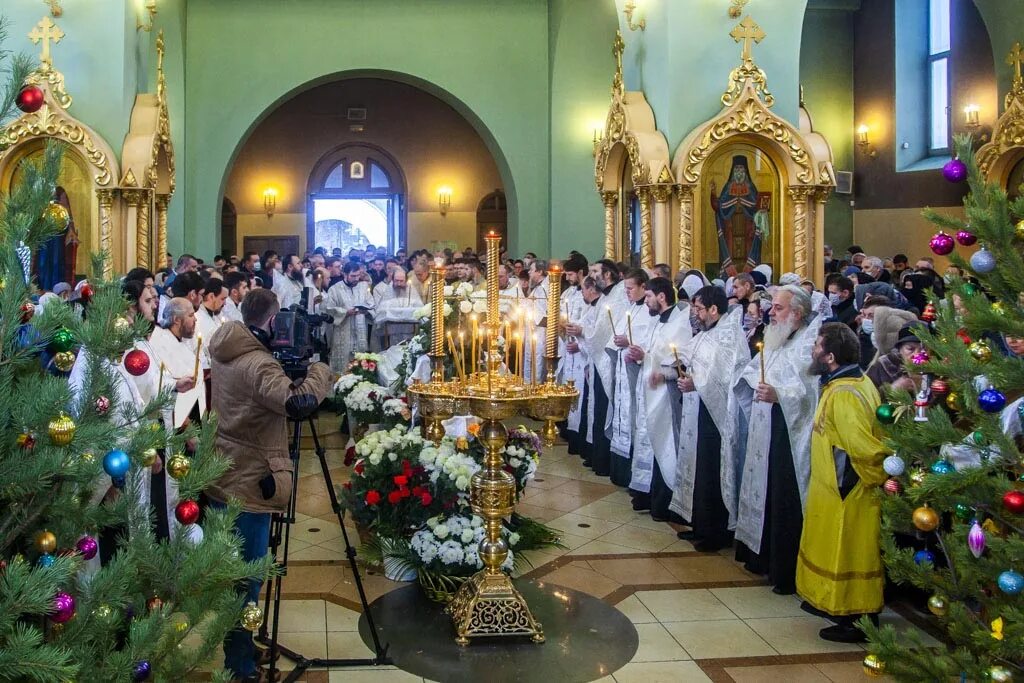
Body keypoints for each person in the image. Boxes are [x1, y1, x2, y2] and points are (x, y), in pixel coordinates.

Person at [206, 288, 333, 681]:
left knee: (234, 572)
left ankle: (243, 647)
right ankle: (240, 666)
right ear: (274, 321)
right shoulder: (258, 364)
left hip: (225, 470)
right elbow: (297, 405)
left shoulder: (227, 346)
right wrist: (320, 372)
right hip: (249, 482)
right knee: (247, 577)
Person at [798, 322, 888, 642]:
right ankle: (838, 606)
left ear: (830, 356)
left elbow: (861, 445)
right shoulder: (848, 382)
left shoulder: (846, 393)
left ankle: (856, 618)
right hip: (837, 486)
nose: (813, 350)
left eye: (817, 345)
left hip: (848, 489)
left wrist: (869, 478)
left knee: (849, 550)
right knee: (842, 547)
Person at [733, 285, 820, 595]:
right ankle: (760, 556)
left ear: (796, 313)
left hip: (788, 434)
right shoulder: (777, 337)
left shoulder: (810, 343)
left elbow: (811, 393)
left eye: (779, 308)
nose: (771, 312)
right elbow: (757, 368)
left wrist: (779, 394)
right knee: (762, 489)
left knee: (783, 496)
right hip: (764, 426)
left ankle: (783, 568)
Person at [671, 285, 749, 551]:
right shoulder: (709, 332)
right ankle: (698, 524)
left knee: (712, 471)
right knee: (698, 467)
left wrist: (697, 383)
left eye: (699, 308)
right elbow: (688, 353)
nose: (695, 313)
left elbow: (726, 377)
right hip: (700, 412)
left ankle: (714, 533)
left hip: (718, 418)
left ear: (714, 309)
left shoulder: (729, 335)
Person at [629, 277, 691, 520]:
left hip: (666, 396)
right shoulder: (659, 321)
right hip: (651, 392)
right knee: (650, 441)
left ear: (662, 296)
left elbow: (679, 360)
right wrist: (641, 355)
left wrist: (651, 360)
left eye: (649, 297)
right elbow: (653, 353)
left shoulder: (679, 323)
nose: (646, 303)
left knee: (666, 444)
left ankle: (665, 502)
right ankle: (648, 495)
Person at [606, 269, 651, 490]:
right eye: (625, 289)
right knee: (622, 417)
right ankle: (619, 471)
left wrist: (628, 341)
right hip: (623, 373)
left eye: (630, 289)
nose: (627, 293)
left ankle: (632, 473)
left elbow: (649, 341)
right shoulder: (631, 308)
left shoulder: (649, 312)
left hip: (636, 375)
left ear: (644, 286)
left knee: (633, 419)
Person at [324, 261, 374, 372]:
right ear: (345, 274)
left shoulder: (363, 287)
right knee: (342, 368)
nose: (356, 279)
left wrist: (366, 311)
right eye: (353, 276)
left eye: (358, 275)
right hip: (342, 333)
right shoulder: (335, 289)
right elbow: (329, 309)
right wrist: (345, 312)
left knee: (360, 366)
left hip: (360, 331)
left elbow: (371, 303)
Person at [866, 322, 923, 392]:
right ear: (900, 349)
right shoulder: (883, 366)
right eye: (910, 349)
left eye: (923, 350)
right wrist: (892, 389)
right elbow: (867, 395)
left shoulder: (936, 368)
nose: (917, 355)